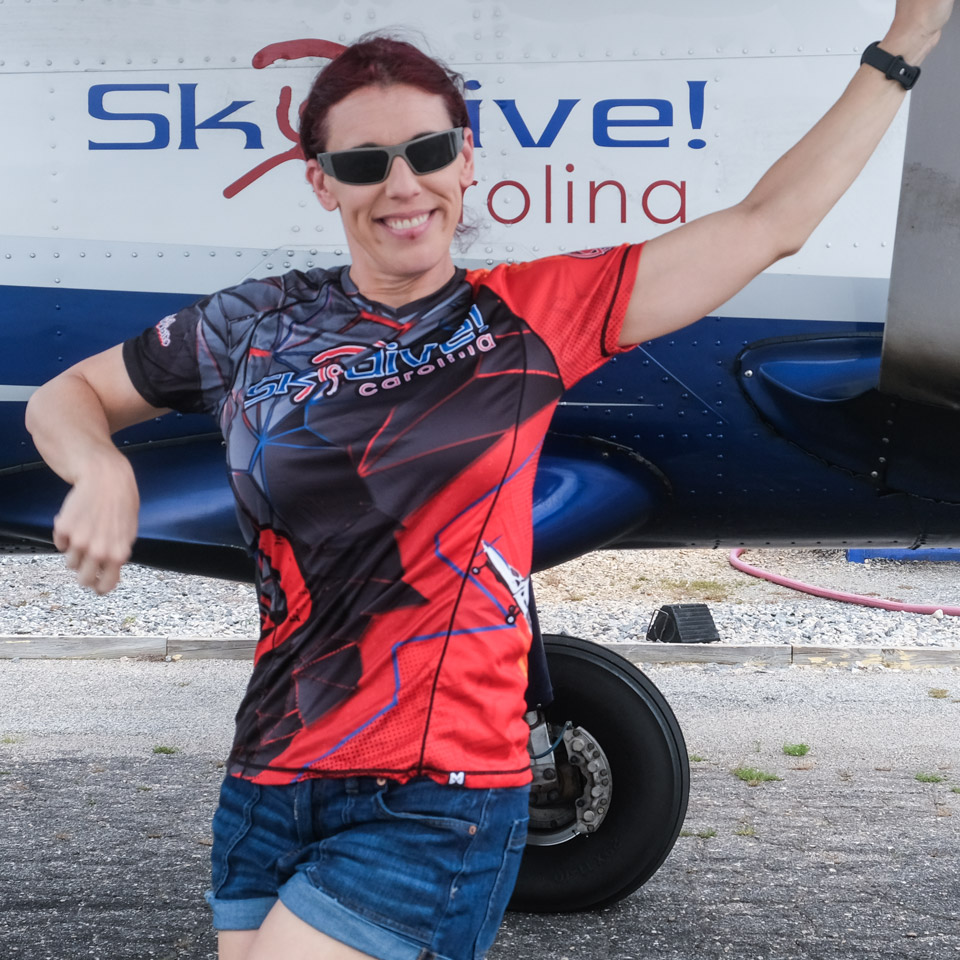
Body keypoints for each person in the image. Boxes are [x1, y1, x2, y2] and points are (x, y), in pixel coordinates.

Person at [24, 2, 955, 958]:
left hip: (438, 791)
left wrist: (905, 46)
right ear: (320, 183)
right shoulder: (250, 324)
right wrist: (99, 468)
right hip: (269, 780)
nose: (401, 184)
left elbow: (769, 225)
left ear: (465, 160)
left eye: (426, 151)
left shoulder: (528, 319)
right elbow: (65, 398)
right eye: (361, 163)